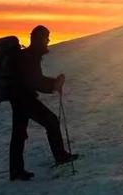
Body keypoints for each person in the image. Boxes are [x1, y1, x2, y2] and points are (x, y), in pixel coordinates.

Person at [9, 25, 78, 181]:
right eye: (46, 37)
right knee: (51, 121)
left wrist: (52, 84)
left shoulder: (27, 55)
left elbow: (34, 79)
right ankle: (60, 156)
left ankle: (16, 171)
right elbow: (35, 81)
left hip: (18, 98)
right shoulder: (30, 56)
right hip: (24, 98)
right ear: (40, 39)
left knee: (19, 134)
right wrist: (55, 84)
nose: (48, 40)